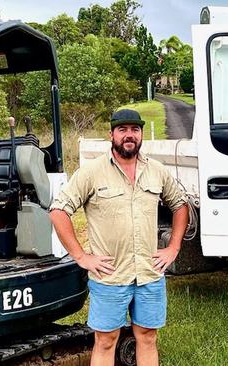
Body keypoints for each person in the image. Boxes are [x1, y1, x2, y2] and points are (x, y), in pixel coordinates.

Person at [49, 108, 189, 366]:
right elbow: (59, 211)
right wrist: (81, 256)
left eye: (134, 130)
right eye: (122, 129)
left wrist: (173, 247)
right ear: (111, 134)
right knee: (106, 340)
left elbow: (180, 205)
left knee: (147, 337)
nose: (129, 135)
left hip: (149, 273)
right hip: (110, 276)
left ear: (141, 134)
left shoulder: (156, 170)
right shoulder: (92, 172)